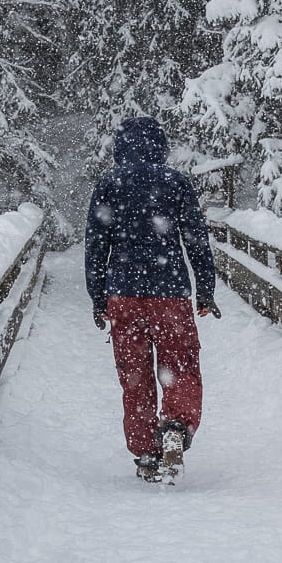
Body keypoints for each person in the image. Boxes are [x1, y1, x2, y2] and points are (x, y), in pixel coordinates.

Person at [85, 116, 220, 483]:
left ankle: (145, 452)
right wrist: (205, 288)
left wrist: (98, 297)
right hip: (170, 293)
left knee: (134, 375)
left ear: (120, 148)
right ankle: (175, 425)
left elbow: (96, 244)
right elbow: (195, 239)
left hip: (123, 294)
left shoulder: (109, 184)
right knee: (180, 366)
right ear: (160, 146)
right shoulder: (175, 182)